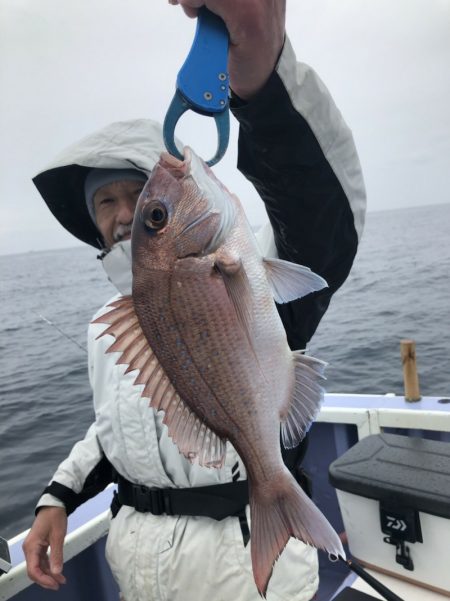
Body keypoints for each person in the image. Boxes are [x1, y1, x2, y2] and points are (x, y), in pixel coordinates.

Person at [22, 1, 366, 600]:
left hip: (241, 563)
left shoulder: (241, 264)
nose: (125, 213)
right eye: (106, 201)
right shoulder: (108, 324)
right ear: (91, 220)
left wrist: (262, 87)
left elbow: (321, 226)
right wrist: (59, 494)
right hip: (139, 569)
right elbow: (113, 429)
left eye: (142, 199)